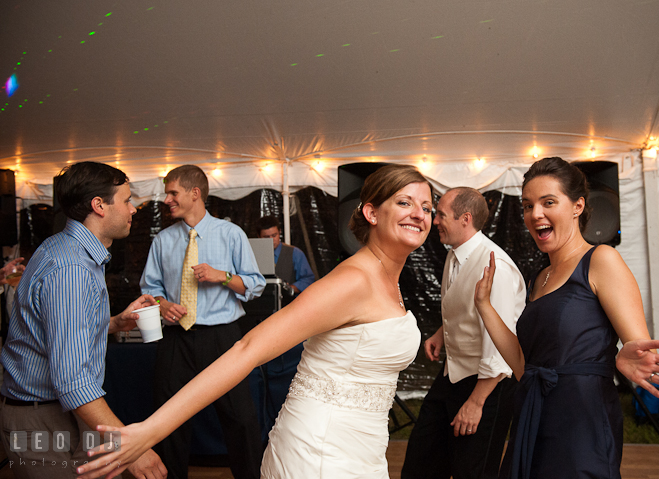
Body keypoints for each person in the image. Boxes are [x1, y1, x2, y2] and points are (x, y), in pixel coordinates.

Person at [76, 164, 433, 479]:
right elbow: (248, 349)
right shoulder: (353, 281)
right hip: (322, 450)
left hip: (362, 445)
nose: (419, 214)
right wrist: (147, 433)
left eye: (427, 207)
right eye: (405, 202)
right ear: (371, 212)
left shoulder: (387, 280)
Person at [472, 157, 659, 479]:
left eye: (548, 202)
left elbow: (641, 348)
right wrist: (484, 306)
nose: (536, 214)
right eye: (528, 206)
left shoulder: (601, 259)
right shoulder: (538, 278)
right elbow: (522, 366)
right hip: (534, 412)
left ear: (577, 206)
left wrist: (620, 359)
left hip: (582, 418)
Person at [0, 162, 167, 479]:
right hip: (43, 418)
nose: (133, 209)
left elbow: (59, 333)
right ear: (99, 205)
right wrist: (131, 447)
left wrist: (116, 322)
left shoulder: (68, 249)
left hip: (66, 411)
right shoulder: (71, 269)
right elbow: (73, 381)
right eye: (127, 200)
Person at [139, 165, 266, 479]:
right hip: (175, 340)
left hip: (222, 338)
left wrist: (221, 277)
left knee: (240, 418)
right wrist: (163, 304)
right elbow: (148, 289)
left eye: (173, 193)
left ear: (195, 193)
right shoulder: (163, 240)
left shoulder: (230, 234)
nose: (167, 200)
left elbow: (255, 284)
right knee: (169, 420)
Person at [402, 187, 525, 479]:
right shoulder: (455, 253)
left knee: (472, 470)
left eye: (440, 215)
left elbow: (501, 343)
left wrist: (476, 402)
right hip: (452, 376)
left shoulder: (496, 267)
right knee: (422, 461)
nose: (435, 221)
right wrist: (440, 334)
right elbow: (468, 306)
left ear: (465, 219)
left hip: (488, 384)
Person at [251, 215, 316, 445]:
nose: (272, 240)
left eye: (275, 235)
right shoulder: (250, 254)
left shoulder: (294, 253)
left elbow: (309, 279)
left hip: (288, 325)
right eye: (266, 237)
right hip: (260, 323)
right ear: (258, 238)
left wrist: (292, 288)